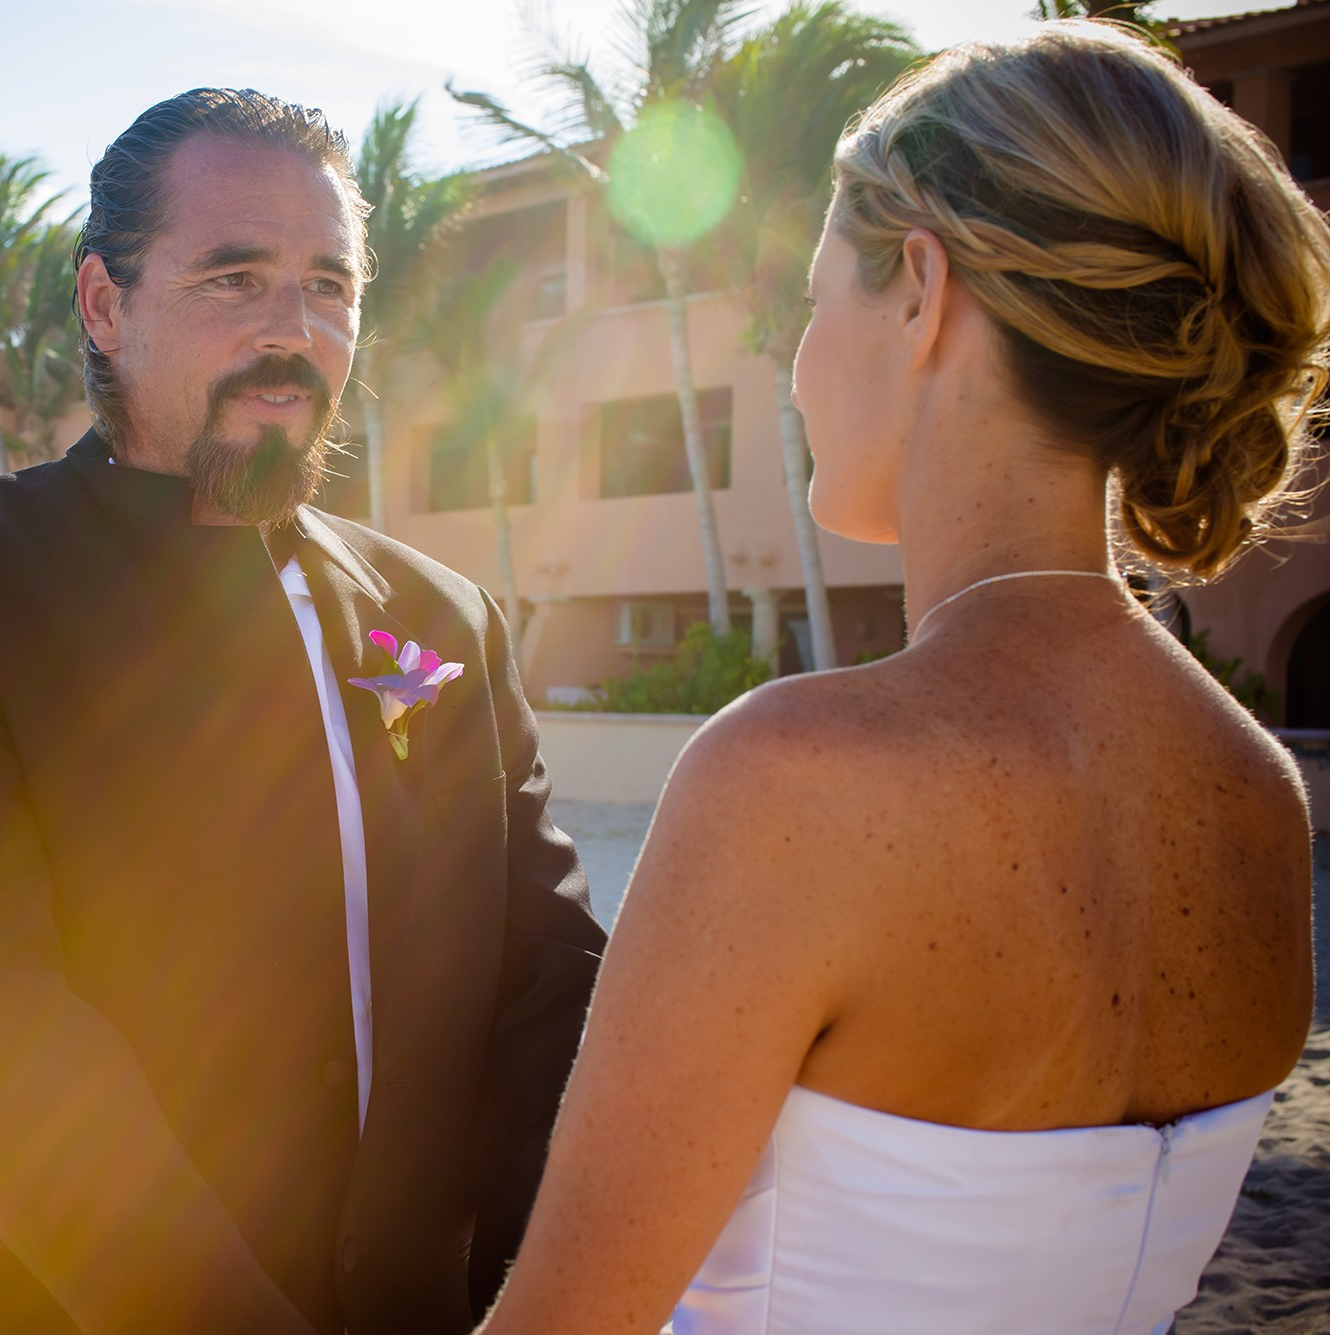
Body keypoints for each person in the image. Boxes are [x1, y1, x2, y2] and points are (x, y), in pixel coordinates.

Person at [476, 21, 1326, 1335]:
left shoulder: (794, 782)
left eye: (816, 306)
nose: (800, 366)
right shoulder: (1257, 793)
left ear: (922, 290)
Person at [0, 88, 605, 1335]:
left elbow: (548, 994)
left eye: (329, 285)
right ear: (104, 304)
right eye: (235, 278)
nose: (294, 329)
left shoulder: (442, 617)